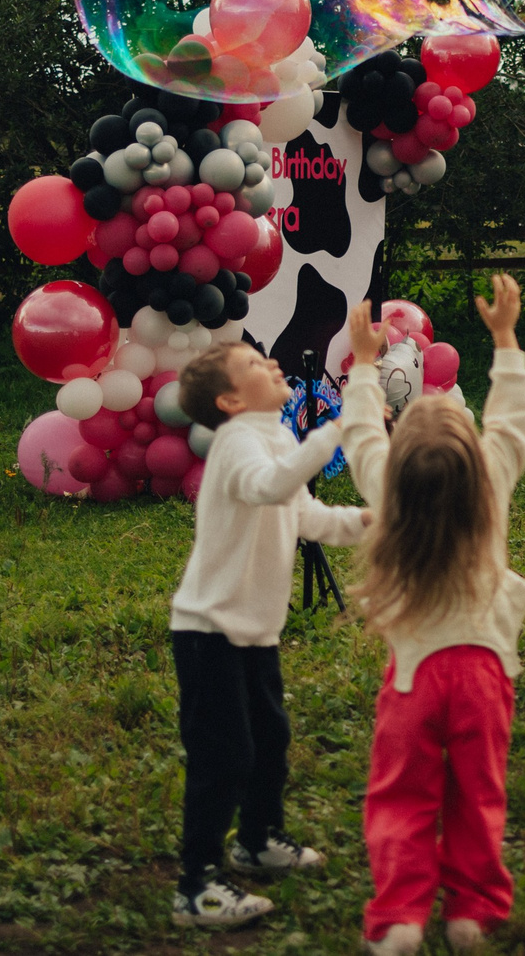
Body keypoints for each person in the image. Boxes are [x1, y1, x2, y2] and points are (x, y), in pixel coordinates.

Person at [343, 276, 525, 956]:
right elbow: (513, 421)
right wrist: (505, 340)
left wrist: (365, 367)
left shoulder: (385, 488)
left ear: (396, 470)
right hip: (485, 675)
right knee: (477, 794)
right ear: (474, 459)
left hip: (413, 680)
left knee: (400, 797)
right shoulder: (493, 482)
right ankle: (471, 914)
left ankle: (399, 917)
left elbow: (363, 433)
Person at [166, 343, 374, 929]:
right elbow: (267, 488)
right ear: (230, 400)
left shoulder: (275, 437)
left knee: (269, 739)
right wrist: (336, 430)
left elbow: (302, 514)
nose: (271, 364)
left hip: (255, 632)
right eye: (254, 366)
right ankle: (196, 886)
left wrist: (363, 522)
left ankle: (256, 840)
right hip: (209, 632)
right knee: (223, 753)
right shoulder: (236, 444)